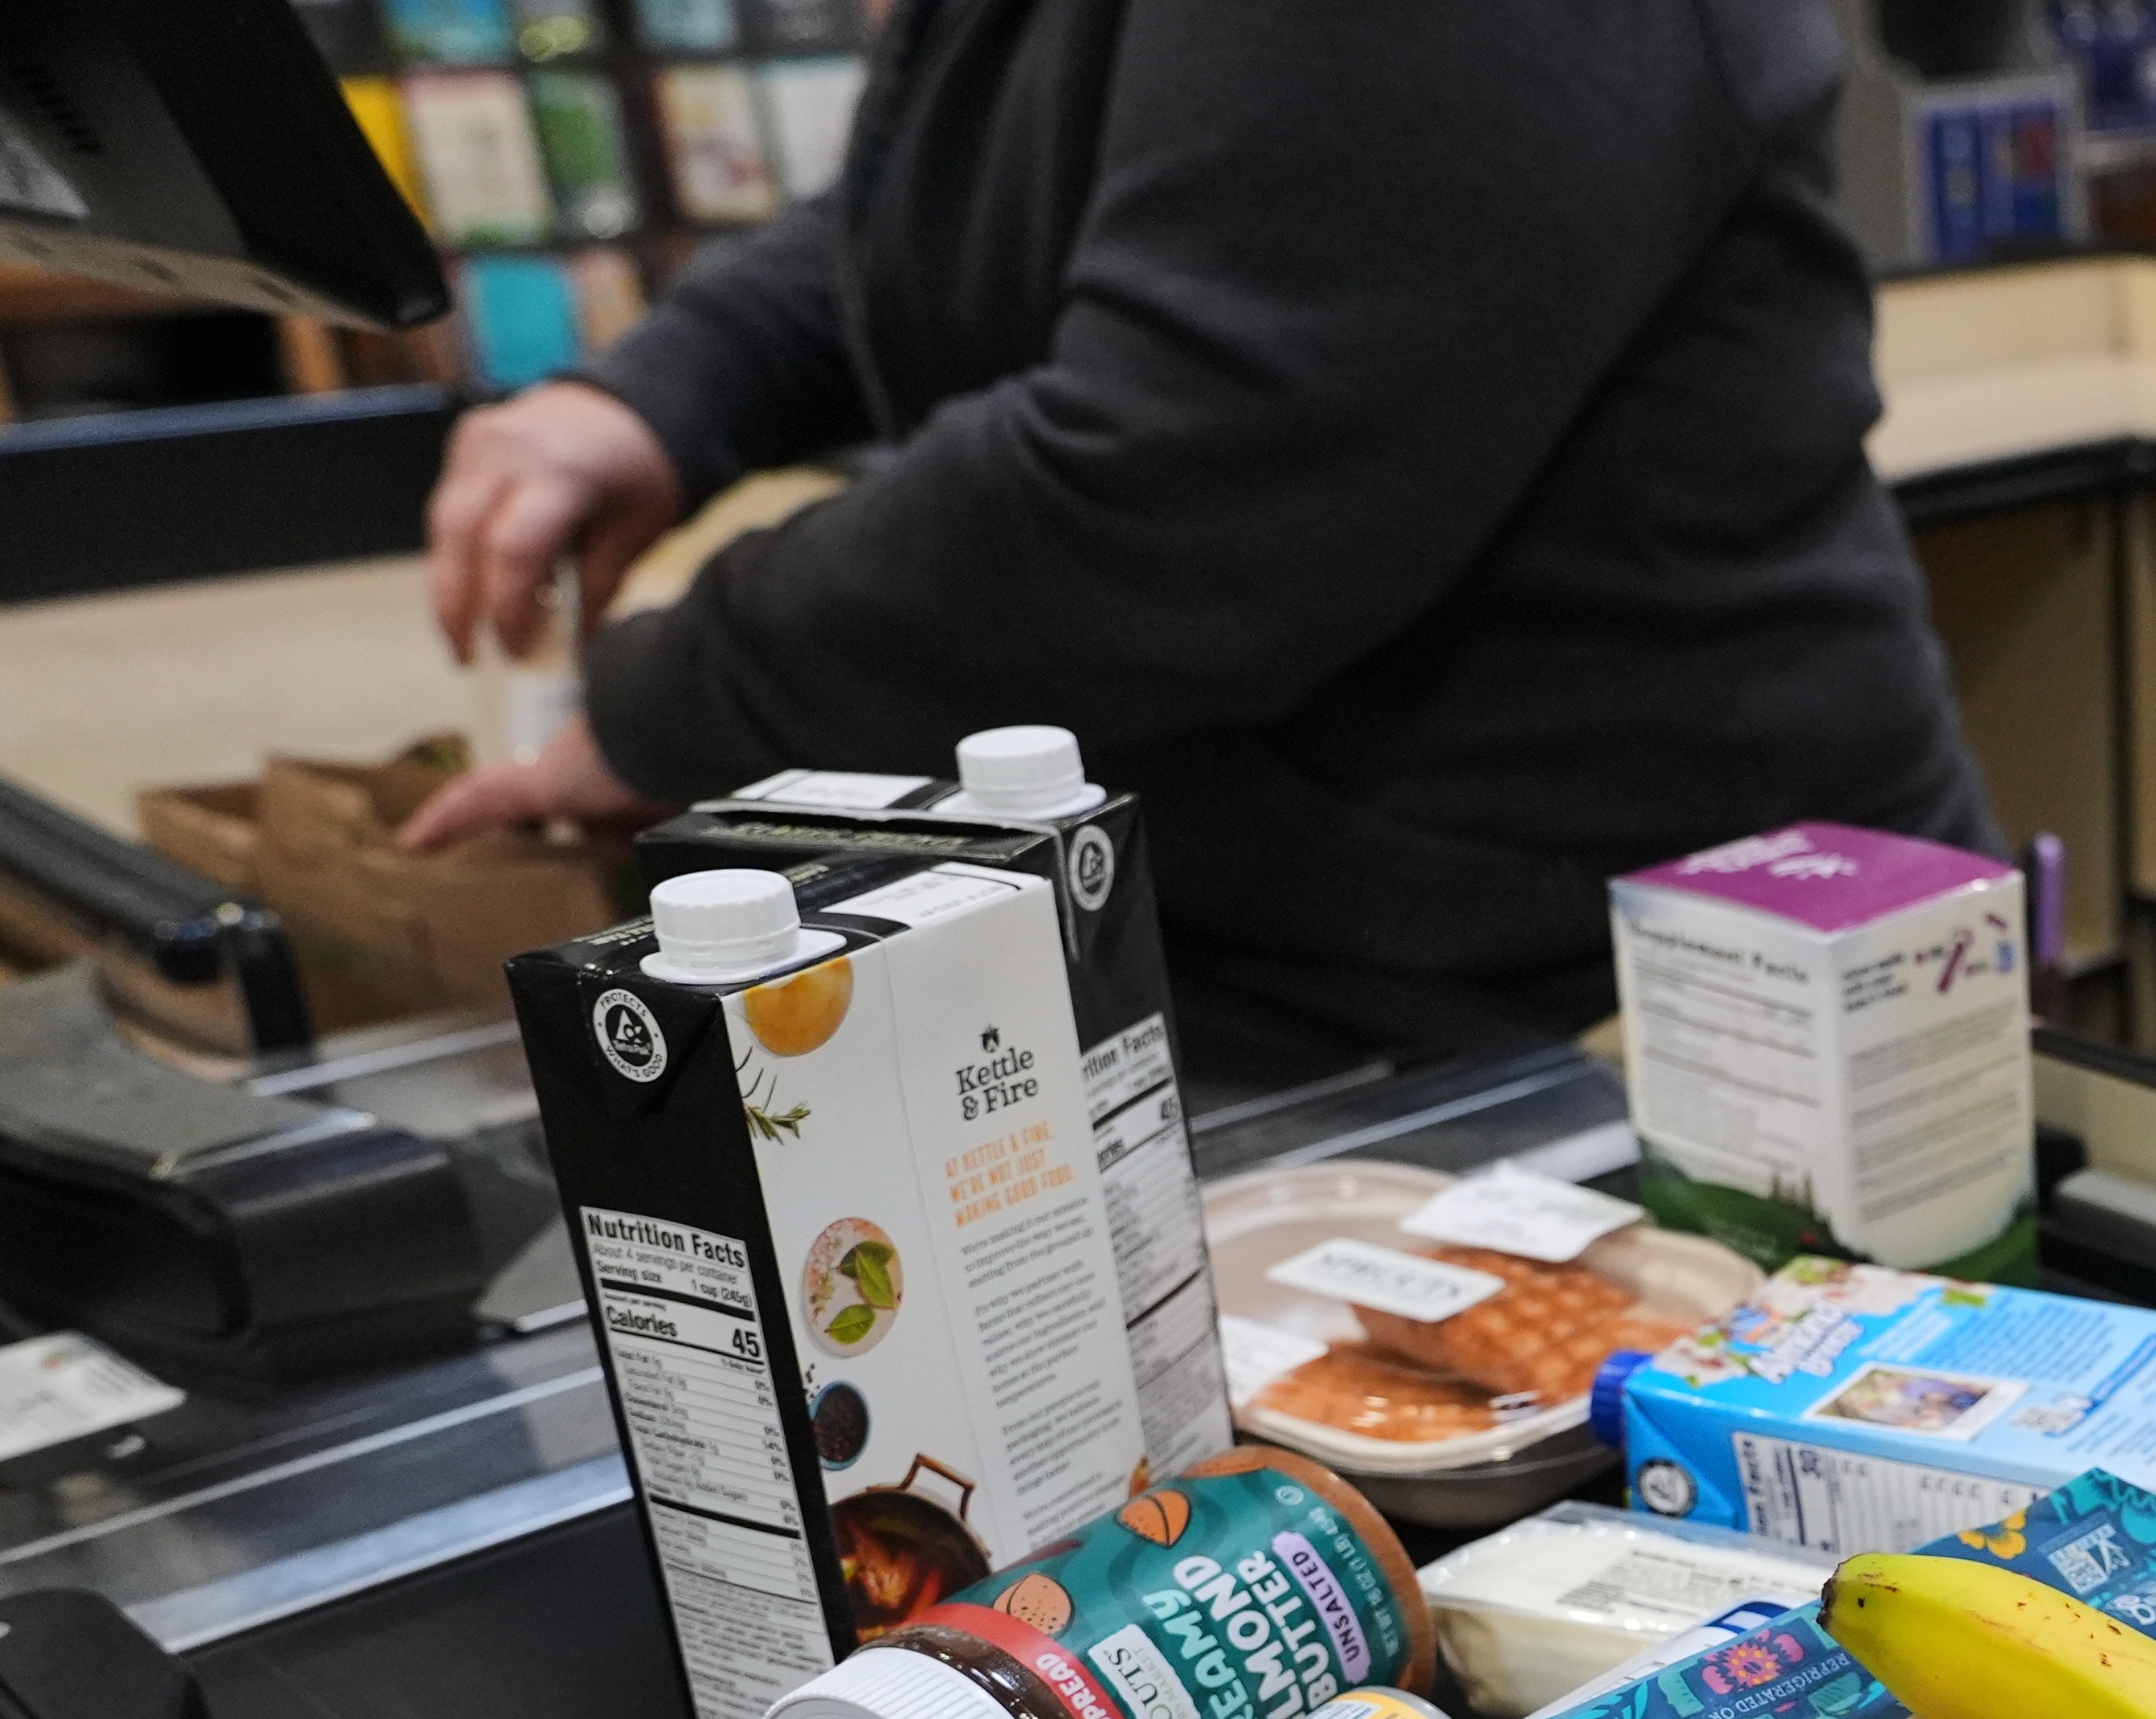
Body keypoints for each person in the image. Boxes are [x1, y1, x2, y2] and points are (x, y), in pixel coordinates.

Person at [402, 0, 1993, 1086]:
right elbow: (1015, 196)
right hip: (1356, 948)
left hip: (1631, 1013)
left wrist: (668, 705)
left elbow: (1171, 488)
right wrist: (669, 392)